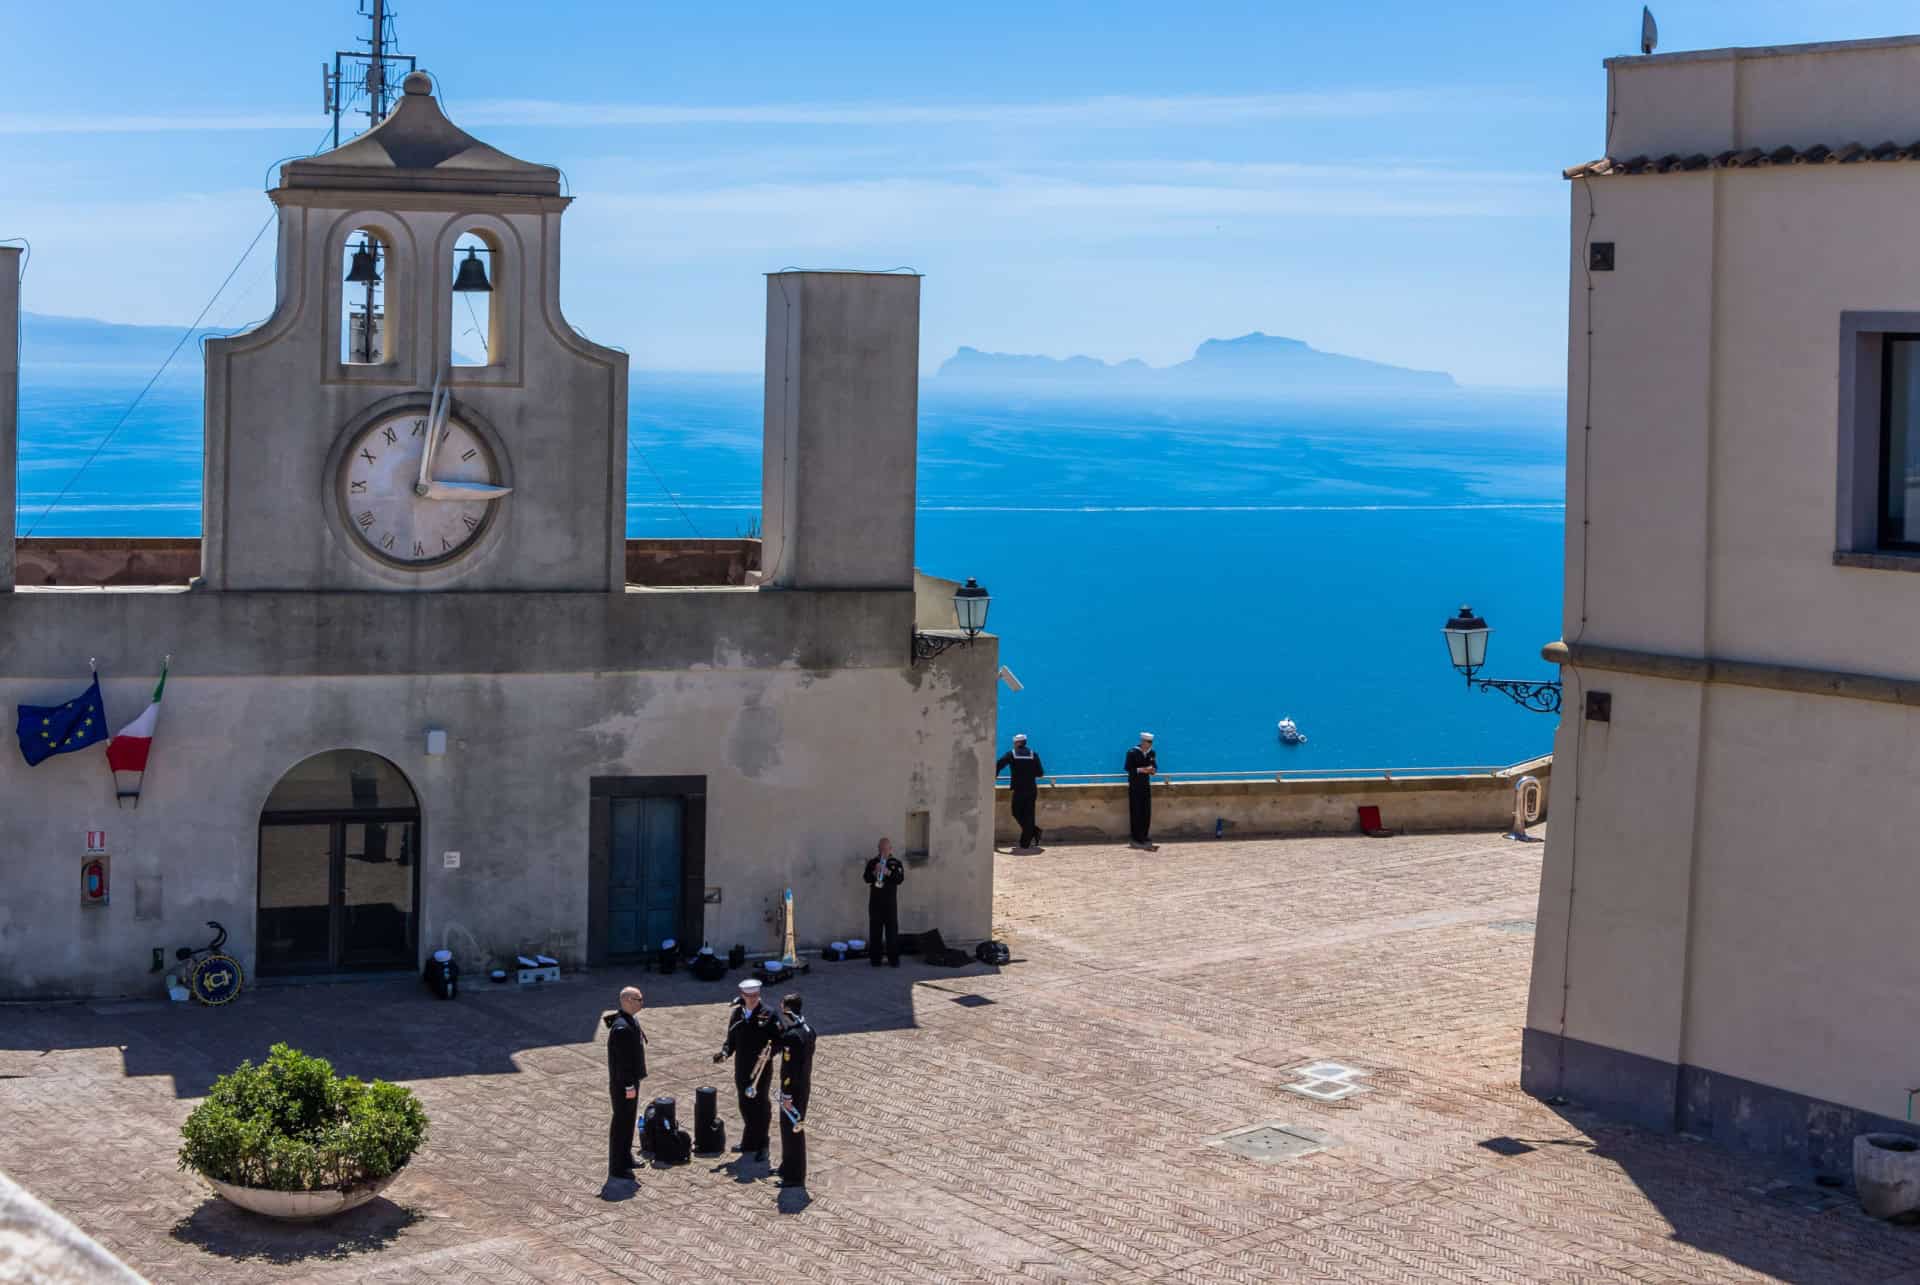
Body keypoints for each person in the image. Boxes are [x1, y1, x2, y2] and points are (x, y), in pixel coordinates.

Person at [713, 977, 779, 1160]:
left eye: (755, 996)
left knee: (761, 1105)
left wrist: (770, 1053)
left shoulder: (769, 1014)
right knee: (745, 1104)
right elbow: (731, 1040)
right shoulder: (737, 1015)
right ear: (742, 995)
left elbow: (779, 1040)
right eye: (749, 996)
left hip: (761, 1068)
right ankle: (749, 1141)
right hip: (742, 1066)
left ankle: (763, 1145)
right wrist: (725, 1053)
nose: (752, 999)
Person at [603, 985, 647, 1181]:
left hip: (630, 1082)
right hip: (623, 1085)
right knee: (621, 1125)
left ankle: (626, 1157)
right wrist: (629, 1085)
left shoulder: (629, 1020)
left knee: (628, 1123)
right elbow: (622, 1063)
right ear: (628, 1001)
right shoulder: (622, 1028)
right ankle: (617, 1167)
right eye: (638, 999)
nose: (642, 1002)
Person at [774, 991, 816, 1188]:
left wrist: (787, 1095)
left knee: (791, 1132)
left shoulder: (792, 1036)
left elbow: (789, 1069)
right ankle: (787, 1167)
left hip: (793, 1090)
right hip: (804, 1086)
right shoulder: (809, 1030)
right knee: (791, 1131)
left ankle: (794, 1175)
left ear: (787, 1009)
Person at [995, 733, 1046, 850]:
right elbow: (1040, 773)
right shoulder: (1034, 754)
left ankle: (1034, 831)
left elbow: (999, 764)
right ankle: (1026, 842)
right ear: (1025, 742)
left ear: (1017, 743)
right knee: (1029, 815)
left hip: (1019, 789)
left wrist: (995, 775)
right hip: (1032, 789)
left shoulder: (1012, 754)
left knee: (1016, 812)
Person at [863, 838, 906, 967]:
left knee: (892, 932)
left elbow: (900, 879)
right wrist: (874, 872)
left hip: (890, 904)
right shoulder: (873, 862)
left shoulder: (896, 863)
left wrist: (887, 872)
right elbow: (866, 878)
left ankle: (894, 960)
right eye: (881, 849)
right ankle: (875, 960)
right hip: (875, 903)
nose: (883, 851)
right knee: (875, 932)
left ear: (890, 849)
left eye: (885, 849)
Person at [1124, 731, 1159, 851]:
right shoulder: (1132, 752)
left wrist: (1152, 770)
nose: (1150, 744)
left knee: (1146, 811)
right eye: (1148, 742)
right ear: (1142, 742)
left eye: (1151, 742)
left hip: (1145, 785)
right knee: (1136, 811)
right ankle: (1136, 837)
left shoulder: (1152, 753)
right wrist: (1143, 770)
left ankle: (1144, 835)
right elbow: (1128, 768)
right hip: (1135, 786)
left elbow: (1154, 767)